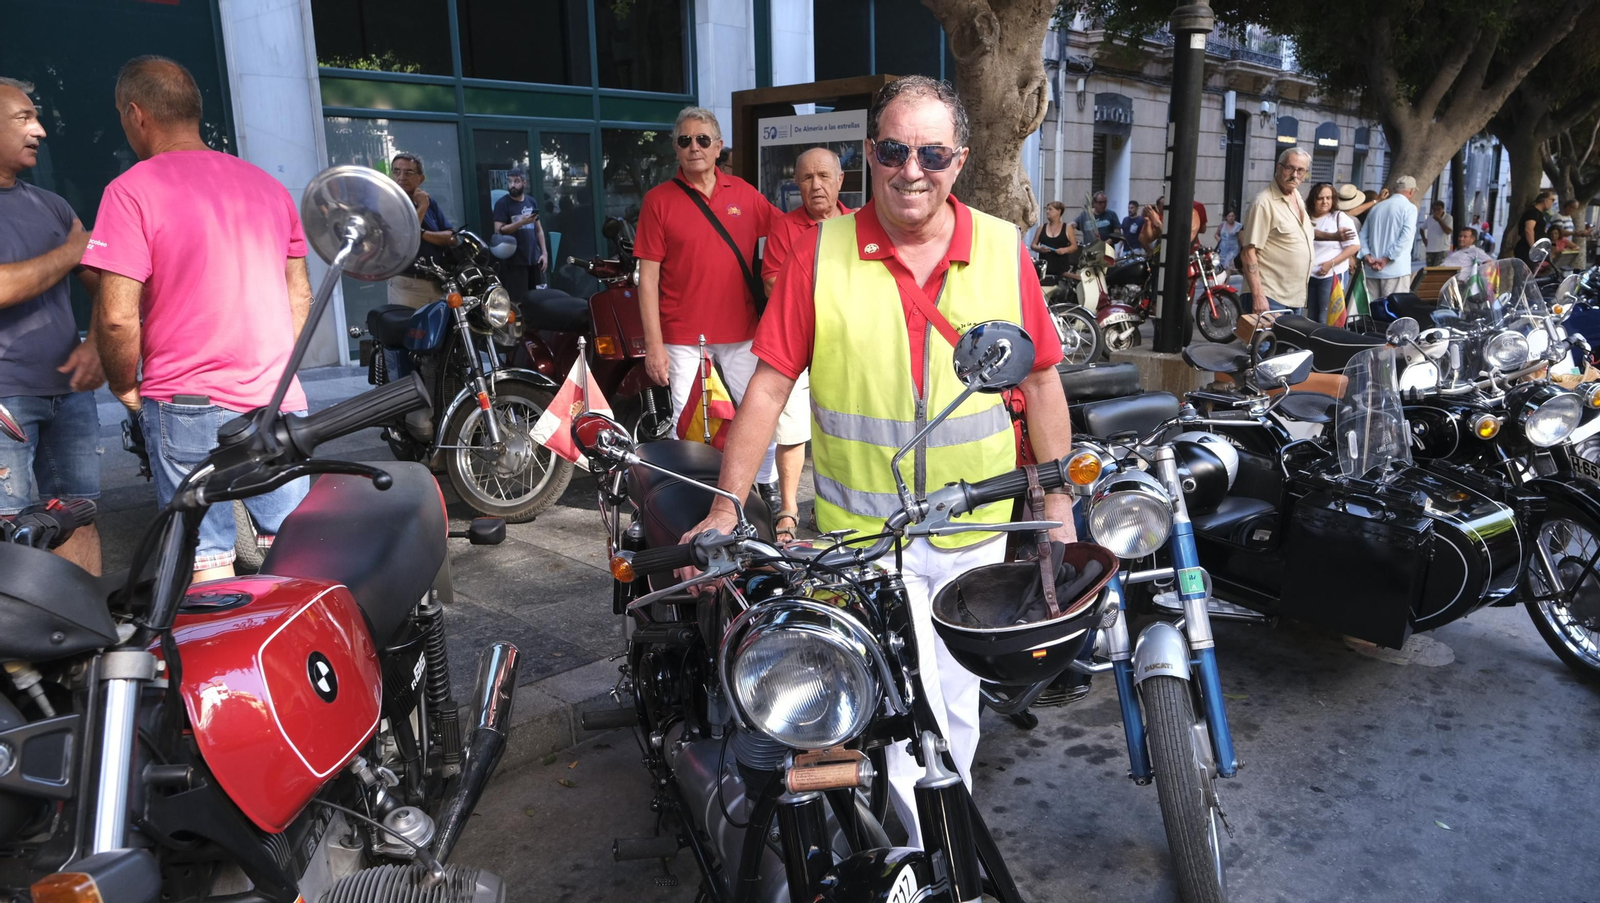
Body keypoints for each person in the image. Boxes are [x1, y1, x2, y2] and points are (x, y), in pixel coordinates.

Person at [679, 75, 1076, 847]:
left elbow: (1042, 377)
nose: (911, 168)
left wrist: (1055, 501)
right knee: (887, 705)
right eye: (894, 149)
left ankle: (933, 843)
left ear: (958, 159)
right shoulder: (821, 252)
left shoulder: (1000, 247)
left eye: (931, 151)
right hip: (868, 538)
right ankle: (919, 850)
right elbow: (765, 388)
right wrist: (729, 502)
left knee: (956, 700)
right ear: (871, 155)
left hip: (973, 526)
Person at [85, 56, 312, 583]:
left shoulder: (130, 191)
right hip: (275, 399)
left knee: (207, 558)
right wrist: (277, 364)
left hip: (184, 400)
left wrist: (125, 386)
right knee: (295, 547)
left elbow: (117, 317)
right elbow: (297, 293)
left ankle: (222, 659)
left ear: (137, 115)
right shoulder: (269, 188)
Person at [634, 106, 780, 510]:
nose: (694, 147)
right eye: (685, 140)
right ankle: (698, 495)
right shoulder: (658, 201)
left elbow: (787, 233)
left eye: (702, 140)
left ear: (718, 147)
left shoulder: (745, 195)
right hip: (683, 337)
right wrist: (655, 345)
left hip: (742, 330)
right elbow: (647, 278)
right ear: (676, 149)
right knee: (689, 427)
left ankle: (762, 486)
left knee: (759, 415)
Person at [0, 76, 104, 575]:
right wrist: (71, 249)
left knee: (79, 517)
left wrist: (103, 341)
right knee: (12, 529)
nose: (39, 129)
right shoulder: (67, 225)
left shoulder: (52, 204)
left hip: (70, 395)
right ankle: (20, 653)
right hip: (6, 399)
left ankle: (87, 640)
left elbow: (106, 287)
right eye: (24, 118)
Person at [759, 147, 852, 543]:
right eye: (807, 178)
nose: (816, 185)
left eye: (824, 176)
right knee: (793, 431)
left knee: (848, 427)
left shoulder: (858, 223)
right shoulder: (785, 227)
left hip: (847, 346)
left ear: (840, 181)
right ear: (797, 184)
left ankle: (846, 504)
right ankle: (789, 508)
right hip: (796, 345)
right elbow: (772, 284)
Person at [1239, 146, 1315, 312]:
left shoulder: (1296, 196)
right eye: (1290, 168)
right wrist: (1258, 296)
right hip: (1269, 295)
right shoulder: (1264, 203)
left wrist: (1334, 236)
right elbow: (1248, 253)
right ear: (1278, 167)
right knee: (1264, 339)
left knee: (1286, 339)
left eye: (1301, 170)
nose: (1295, 175)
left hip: (1294, 296)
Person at [386, 153, 457, 309]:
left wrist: (422, 233)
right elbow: (405, 239)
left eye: (409, 172)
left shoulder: (429, 202)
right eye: (396, 171)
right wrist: (422, 208)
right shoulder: (389, 203)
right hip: (408, 284)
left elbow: (451, 237)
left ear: (421, 178)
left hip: (437, 282)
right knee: (410, 331)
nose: (401, 177)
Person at [1306, 182, 1360, 324]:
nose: (1325, 202)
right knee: (1311, 316)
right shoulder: (1307, 218)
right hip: (1310, 275)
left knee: (1327, 317)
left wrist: (1331, 263)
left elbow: (1354, 246)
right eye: (1320, 198)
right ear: (1313, 199)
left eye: (1329, 198)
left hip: (1332, 275)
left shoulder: (1339, 217)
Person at [1359, 175, 1419, 300]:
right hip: (1396, 270)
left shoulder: (1376, 207)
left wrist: (1367, 256)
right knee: (1394, 313)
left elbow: (1362, 235)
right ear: (1411, 191)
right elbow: (1406, 237)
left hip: (1372, 270)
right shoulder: (1410, 208)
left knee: (1372, 313)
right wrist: (1387, 258)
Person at [492, 167, 548, 301]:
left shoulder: (531, 202)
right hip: (514, 261)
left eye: (516, 181)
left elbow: (539, 230)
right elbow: (498, 231)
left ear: (524, 183)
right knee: (518, 301)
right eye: (510, 182)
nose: (512, 185)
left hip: (534, 259)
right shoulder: (502, 204)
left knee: (538, 299)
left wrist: (544, 253)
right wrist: (520, 223)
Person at [1031, 200, 1077, 279]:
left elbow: (1074, 246)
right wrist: (1040, 249)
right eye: (1047, 209)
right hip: (1044, 270)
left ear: (1059, 211)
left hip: (1062, 270)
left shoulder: (1067, 228)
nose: (1047, 212)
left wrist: (1065, 250)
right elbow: (1033, 245)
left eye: (1050, 209)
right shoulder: (1041, 227)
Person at [1513, 189, 1555, 267]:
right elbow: (1529, 230)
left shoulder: (1540, 214)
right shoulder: (1532, 212)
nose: (1552, 203)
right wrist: (1533, 248)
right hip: (1527, 250)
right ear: (1545, 200)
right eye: (1552, 200)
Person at [1554, 198, 1591, 270]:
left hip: (1566, 246)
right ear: (1568, 207)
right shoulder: (1558, 217)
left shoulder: (1569, 217)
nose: (1574, 211)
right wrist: (1575, 233)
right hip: (1559, 246)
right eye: (1574, 208)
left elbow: (1571, 230)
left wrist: (1581, 233)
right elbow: (1559, 232)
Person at [1422, 199, 1453, 267]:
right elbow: (1421, 228)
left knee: (1438, 269)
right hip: (1430, 249)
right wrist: (1424, 239)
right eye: (1434, 210)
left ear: (1442, 209)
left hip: (1442, 249)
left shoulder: (1448, 218)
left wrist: (1439, 220)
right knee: (1430, 270)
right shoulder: (1430, 218)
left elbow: (1448, 231)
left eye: (1438, 209)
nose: (1436, 212)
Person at [1216, 209, 1242, 273]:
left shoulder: (1238, 226)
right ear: (1226, 217)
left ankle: (1226, 280)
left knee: (1227, 264)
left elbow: (1240, 238)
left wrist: (1241, 248)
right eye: (1229, 216)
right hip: (1223, 248)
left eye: (1232, 216)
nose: (1231, 218)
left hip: (1233, 248)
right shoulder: (1222, 225)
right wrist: (1219, 239)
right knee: (1220, 265)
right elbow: (1216, 234)